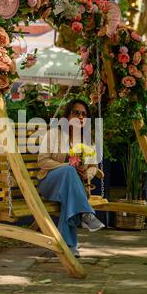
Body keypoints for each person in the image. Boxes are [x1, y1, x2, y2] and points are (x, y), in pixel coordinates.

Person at [37, 99, 104, 258]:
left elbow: (93, 166)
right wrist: (67, 166)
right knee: (68, 171)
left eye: (84, 114)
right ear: (67, 116)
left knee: (70, 197)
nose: (81, 117)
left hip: (74, 187)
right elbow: (42, 160)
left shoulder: (87, 140)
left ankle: (68, 246)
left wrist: (87, 174)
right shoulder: (54, 134)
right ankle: (86, 214)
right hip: (50, 182)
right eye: (76, 112)